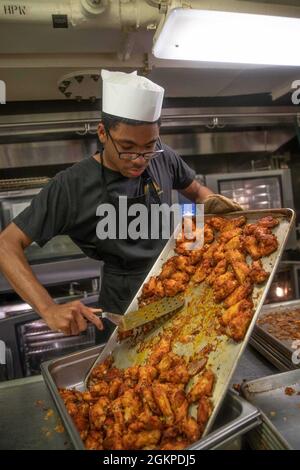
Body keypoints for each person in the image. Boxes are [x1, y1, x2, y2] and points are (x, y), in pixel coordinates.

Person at [0, 70, 241, 337]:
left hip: (183, 287)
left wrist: (210, 204)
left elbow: (196, 191)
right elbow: (6, 244)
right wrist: (48, 308)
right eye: (127, 146)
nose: (139, 159)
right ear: (103, 133)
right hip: (124, 308)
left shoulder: (163, 156)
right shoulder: (71, 185)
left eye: (149, 146)